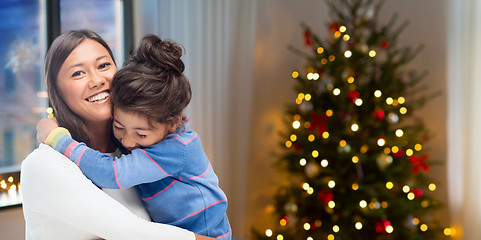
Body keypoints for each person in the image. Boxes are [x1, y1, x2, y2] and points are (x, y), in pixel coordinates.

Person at [21, 29, 219, 240]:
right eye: (78, 73)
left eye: (103, 65)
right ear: (56, 91)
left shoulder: (133, 150)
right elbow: (132, 233)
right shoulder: (43, 164)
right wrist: (57, 139)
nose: (96, 80)